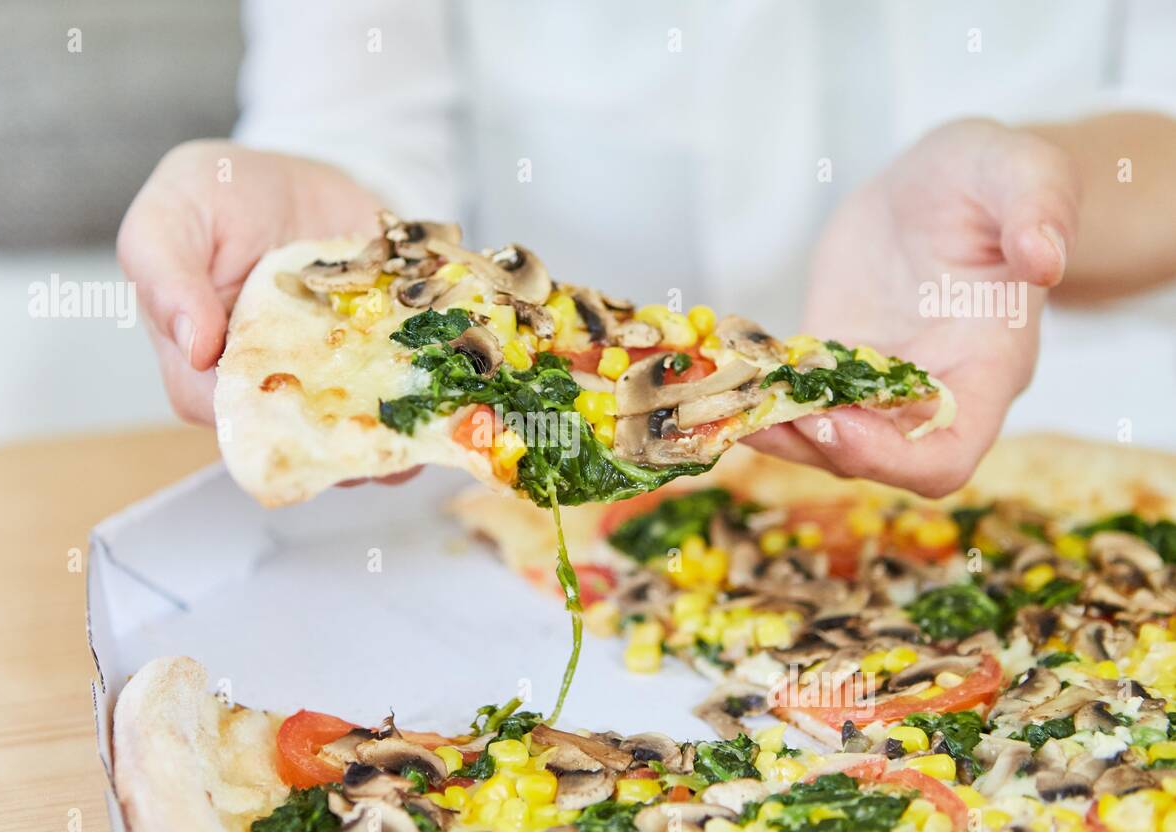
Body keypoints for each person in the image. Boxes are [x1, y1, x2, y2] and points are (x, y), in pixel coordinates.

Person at [118, 0, 1176, 497]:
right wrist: (328, 272)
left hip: (1048, 424)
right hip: (543, 466)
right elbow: (355, 113)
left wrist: (1053, 183)